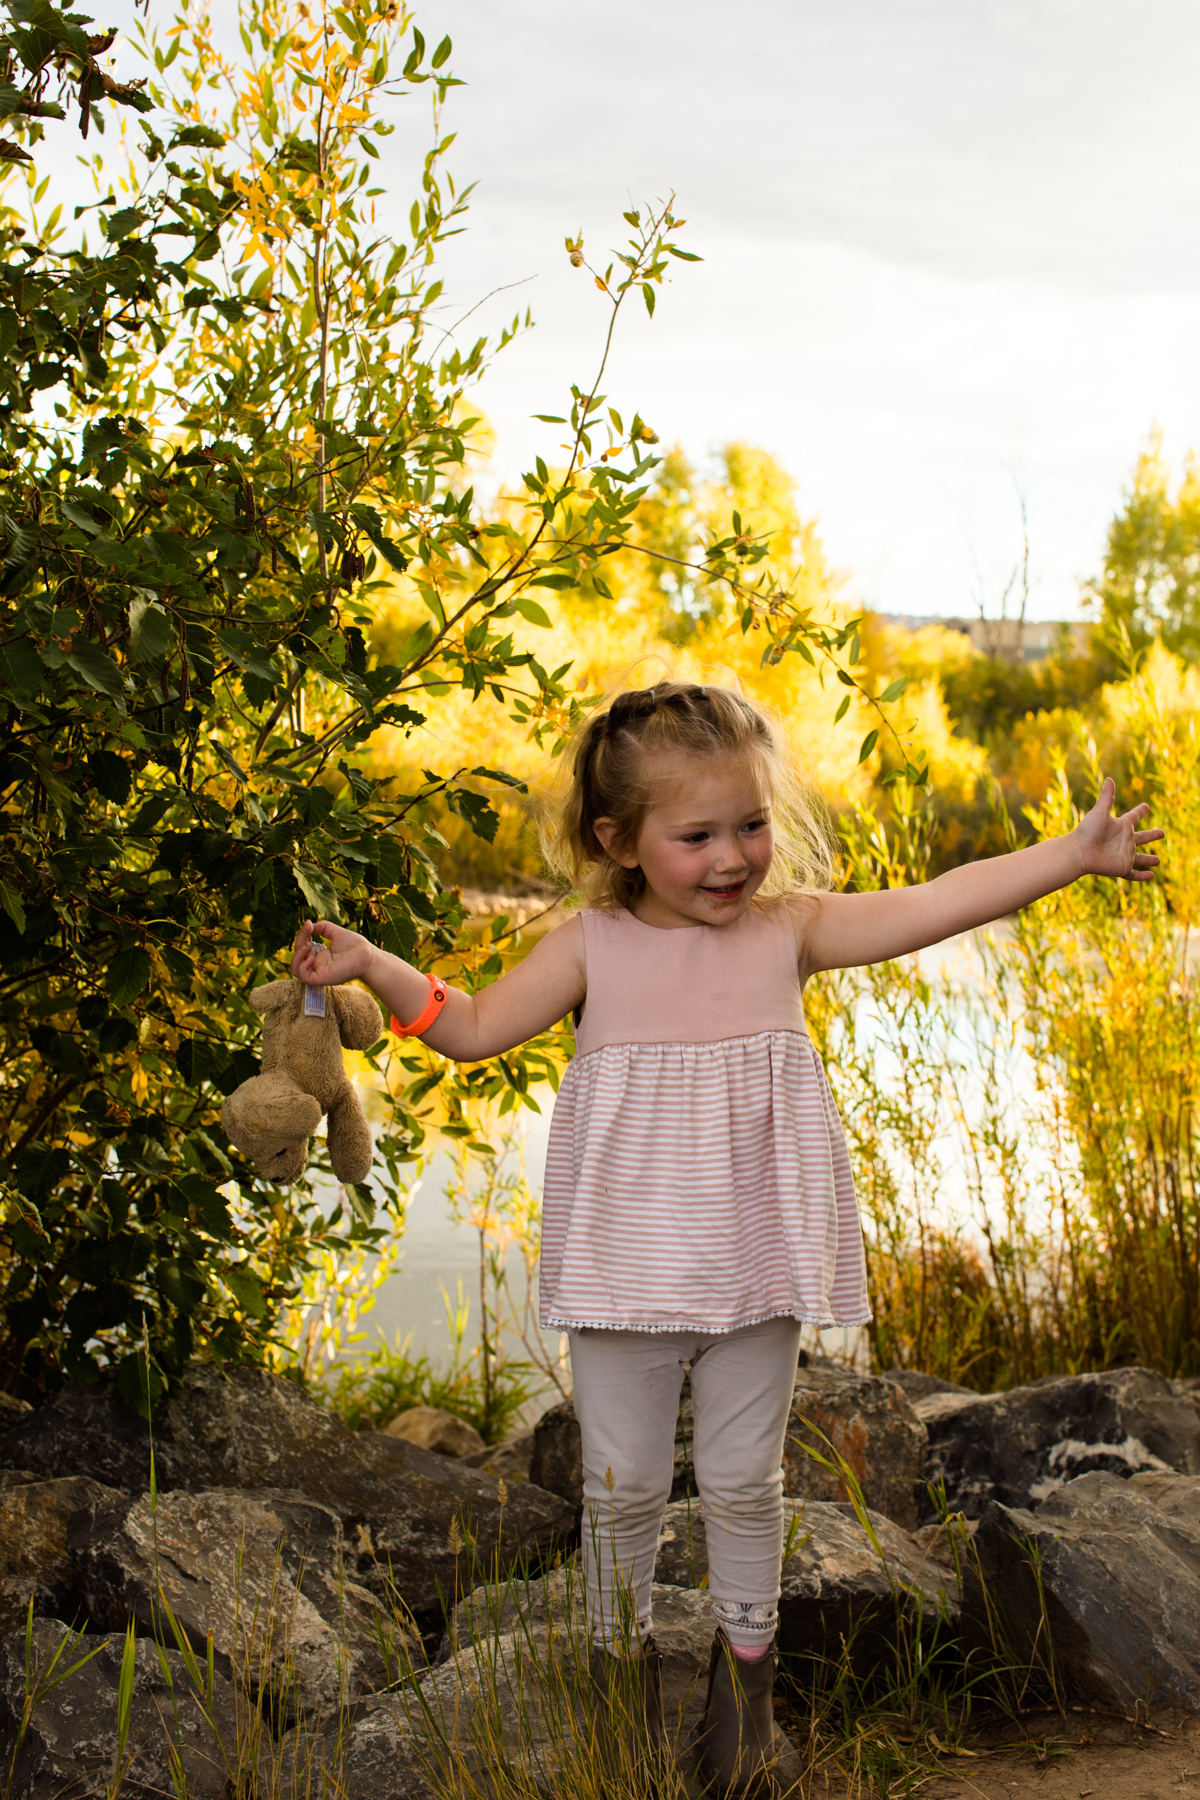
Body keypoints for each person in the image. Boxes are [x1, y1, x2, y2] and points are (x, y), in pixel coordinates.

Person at [290, 680, 1162, 1796]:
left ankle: (745, 1686)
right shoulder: (591, 945)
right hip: (624, 1269)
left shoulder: (788, 931)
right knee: (622, 1484)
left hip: (758, 1258)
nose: (733, 856)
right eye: (696, 835)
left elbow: (940, 899)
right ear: (621, 841)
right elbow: (468, 1028)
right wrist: (374, 964)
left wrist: (1069, 853)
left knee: (747, 1481)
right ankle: (615, 1677)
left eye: (749, 824)